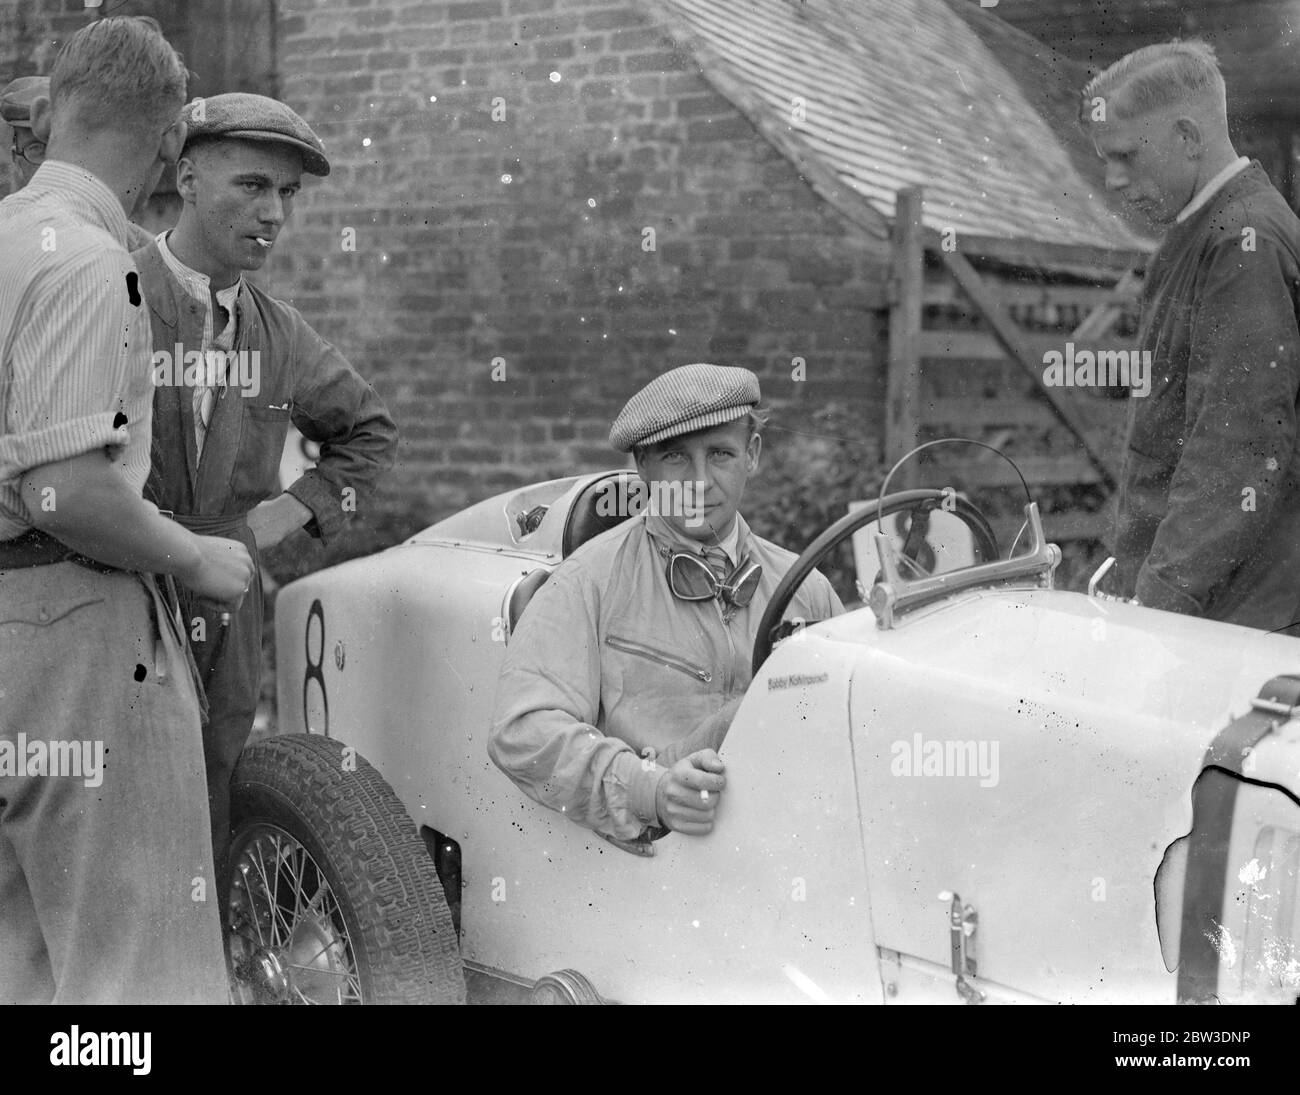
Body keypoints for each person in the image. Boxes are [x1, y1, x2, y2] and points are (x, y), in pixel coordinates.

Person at [0, 16, 253, 1004]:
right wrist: (193, 557)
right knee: (138, 977)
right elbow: (67, 489)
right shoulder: (91, 262)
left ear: (58, 112)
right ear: (162, 145)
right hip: (75, 634)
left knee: (27, 960)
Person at [134, 92, 398, 894]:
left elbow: (370, 431)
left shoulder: (278, 332)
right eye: (253, 185)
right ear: (185, 175)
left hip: (227, 610)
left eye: (288, 194)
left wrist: (279, 518)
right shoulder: (114, 286)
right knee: (114, 802)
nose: (274, 212)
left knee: (212, 797)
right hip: (120, 586)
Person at [489, 364, 843, 851]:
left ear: (752, 455)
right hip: (659, 870)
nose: (700, 482)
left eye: (721, 453)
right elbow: (522, 732)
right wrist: (649, 789)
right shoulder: (590, 581)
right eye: (675, 457)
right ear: (643, 467)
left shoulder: (806, 588)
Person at [1084, 41, 1300, 632]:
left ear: (1186, 136)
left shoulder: (1243, 240)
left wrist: (1161, 597)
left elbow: (1239, 446)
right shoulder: (1201, 230)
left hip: (1239, 612)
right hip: (1204, 598)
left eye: (1125, 155)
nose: (1113, 179)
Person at [4, 74, 156, 246]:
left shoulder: (138, 247)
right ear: (17, 160)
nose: (53, 165)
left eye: (66, 146)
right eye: (37, 150)